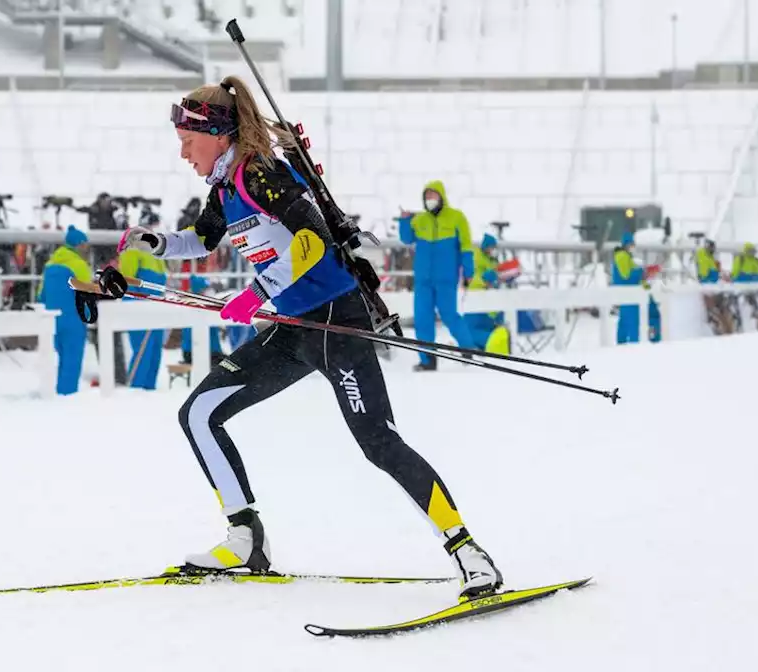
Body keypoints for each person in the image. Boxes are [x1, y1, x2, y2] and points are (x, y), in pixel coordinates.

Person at [102, 75, 502, 599]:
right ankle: (244, 538)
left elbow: (312, 237)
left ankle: (470, 553)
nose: (183, 153)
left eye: (187, 140)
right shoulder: (224, 187)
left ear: (217, 134)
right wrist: (154, 242)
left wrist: (258, 292)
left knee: (378, 442)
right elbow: (201, 239)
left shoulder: (261, 172)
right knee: (198, 412)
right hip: (292, 328)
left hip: (336, 320)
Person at [398, 180, 476, 371]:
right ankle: (427, 360)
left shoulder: (457, 218)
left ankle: (468, 350)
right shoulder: (420, 220)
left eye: (433, 195)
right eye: (427, 196)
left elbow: (466, 247)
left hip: (446, 278)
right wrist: (405, 220)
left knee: (449, 315)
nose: (429, 199)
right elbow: (406, 238)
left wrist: (468, 271)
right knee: (422, 318)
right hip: (423, 279)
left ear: (441, 196)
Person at [38, 227, 92, 395]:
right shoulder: (79, 265)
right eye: (85, 244)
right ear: (79, 244)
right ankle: (68, 395)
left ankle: (59, 391)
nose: (87, 248)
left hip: (53, 319)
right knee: (72, 360)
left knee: (61, 358)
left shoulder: (50, 264)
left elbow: (41, 294)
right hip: (74, 318)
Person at [118, 228, 168, 390]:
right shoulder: (131, 254)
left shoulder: (157, 259)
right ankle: (135, 389)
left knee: (154, 354)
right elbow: (126, 284)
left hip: (156, 310)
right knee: (142, 353)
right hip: (139, 311)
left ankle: (149, 390)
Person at [462, 234, 509, 355]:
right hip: (475, 299)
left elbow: (495, 277)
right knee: (471, 328)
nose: (492, 250)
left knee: (485, 325)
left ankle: (491, 342)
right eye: (491, 247)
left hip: (489, 302)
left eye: (494, 248)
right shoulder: (475, 257)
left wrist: (503, 277)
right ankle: (487, 342)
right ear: (485, 246)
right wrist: (484, 280)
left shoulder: (492, 260)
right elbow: (472, 277)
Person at [610, 232, 645, 344]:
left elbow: (633, 272)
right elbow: (626, 276)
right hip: (628, 294)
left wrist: (644, 276)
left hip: (625, 294)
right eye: (630, 244)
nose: (632, 247)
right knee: (632, 321)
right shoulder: (622, 256)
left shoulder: (626, 256)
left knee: (624, 322)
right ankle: (633, 346)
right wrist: (641, 272)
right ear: (625, 244)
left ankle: (622, 345)